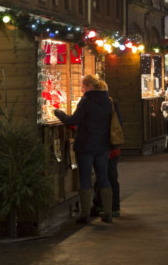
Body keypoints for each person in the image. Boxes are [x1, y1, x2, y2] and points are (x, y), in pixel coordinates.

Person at [54, 75, 113, 224]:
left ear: (87, 86)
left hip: (85, 146)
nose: (81, 89)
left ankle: (85, 214)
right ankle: (108, 213)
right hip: (103, 146)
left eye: (82, 86)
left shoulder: (86, 101)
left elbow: (72, 121)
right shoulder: (107, 101)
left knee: (85, 179)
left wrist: (58, 113)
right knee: (103, 178)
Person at [91, 81, 122, 218]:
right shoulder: (111, 103)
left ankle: (109, 206)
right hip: (111, 146)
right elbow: (120, 122)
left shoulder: (96, 104)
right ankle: (107, 206)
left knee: (105, 177)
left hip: (104, 147)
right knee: (106, 177)